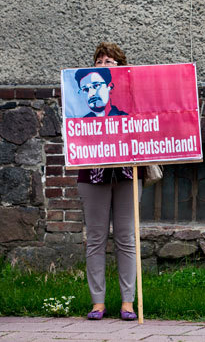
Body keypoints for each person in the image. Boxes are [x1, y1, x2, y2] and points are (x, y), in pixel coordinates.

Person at [77, 42, 141, 321]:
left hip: (127, 175)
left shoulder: (129, 110)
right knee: (95, 238)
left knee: (126, 238)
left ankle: (128, 302)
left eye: (110, 62)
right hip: (92, 176)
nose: (104, 63)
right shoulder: (80, 115)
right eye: (100, 60)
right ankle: (98, 303)